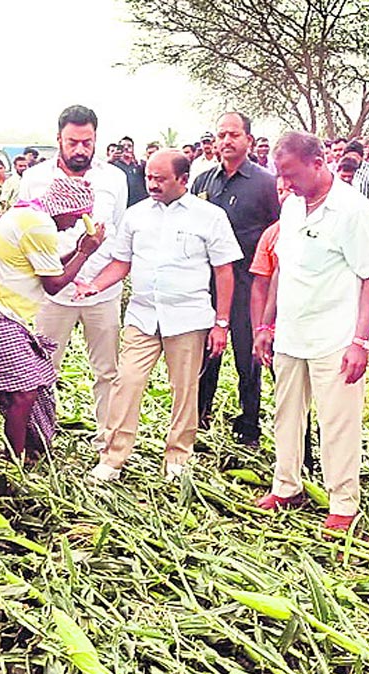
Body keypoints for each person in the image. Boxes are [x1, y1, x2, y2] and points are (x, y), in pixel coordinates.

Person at [82, 150, 242, 480]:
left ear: (183, 180)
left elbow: (224, 271)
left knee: (185, 391)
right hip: (142, 315)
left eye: (160, 179)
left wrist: (221, 322)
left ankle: (177, 459)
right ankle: (112, 458)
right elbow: (121, 263)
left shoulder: (209, 216)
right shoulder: (136, 215)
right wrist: (95, 286)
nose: (152, 184)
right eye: (148, 177)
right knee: (126, 383)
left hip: (188, 318)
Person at [253, 132, 369, 532]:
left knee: (337, 421)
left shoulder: (353, 210)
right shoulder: (293, 207)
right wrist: (265, 323)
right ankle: (286, 486)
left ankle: (343, 503)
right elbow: (283, 270)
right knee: (286, 415)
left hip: (335, 336)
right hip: (291, 333)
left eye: (292, 174)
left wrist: (361, 341)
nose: (286, 184)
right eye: (281, 175)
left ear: (318, 162)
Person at [0, 177, 104, 459]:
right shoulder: (40, 226)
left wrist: (78, 251)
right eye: (75, 216)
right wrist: (85, 253)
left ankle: (27, 451)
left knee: (30, 387)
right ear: (63, 208)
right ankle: (14, 460)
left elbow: (46, 269)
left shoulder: (27, 215)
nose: (75, 224)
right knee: (24, 393)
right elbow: (53, 285)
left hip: (2, 314)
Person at [19, 105, 128, 449]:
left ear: (96, 138)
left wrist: (98, 278)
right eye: (72, 142)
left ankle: (107, 443)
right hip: (52, 290)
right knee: (41, 368)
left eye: (87, 141)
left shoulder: (114, 178)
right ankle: (39, 440)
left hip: (102, 290)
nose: (80, 149)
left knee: (107, 371)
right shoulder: (35, 177)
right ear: (58, 140)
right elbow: (23, 229)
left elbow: (119, 231)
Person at [192, 112, 282, 446]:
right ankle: (199, 419)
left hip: (248, 284)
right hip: (208, 284)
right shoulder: (202, 182)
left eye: (234, 135)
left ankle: (249, 427)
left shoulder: (265, 183)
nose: (226, 141)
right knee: (205, 355)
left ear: (248, 140)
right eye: (221, 135)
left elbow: (277, 233)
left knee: (249, 358)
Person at [112, 136, 149, 206]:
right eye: (123, 146)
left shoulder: (139, 165)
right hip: (124, 205)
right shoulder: (114, 166)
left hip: (141, 205)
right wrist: (110, 160)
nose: (126, 148)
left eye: (129, 146)